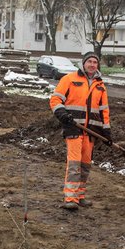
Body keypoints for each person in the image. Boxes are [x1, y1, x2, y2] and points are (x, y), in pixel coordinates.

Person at [49, 52, 111, 210]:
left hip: (91, 132)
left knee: (85, 165)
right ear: (83, 64)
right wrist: (62, 113)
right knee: (75, 164)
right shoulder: (69, 79)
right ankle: (70, 198)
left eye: (95, 62)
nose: (92, 64)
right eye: (89, 61)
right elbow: (55, 99)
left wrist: (107, 132)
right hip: (74, 128)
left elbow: (104, 111)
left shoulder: (100, 85)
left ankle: (80, 196)